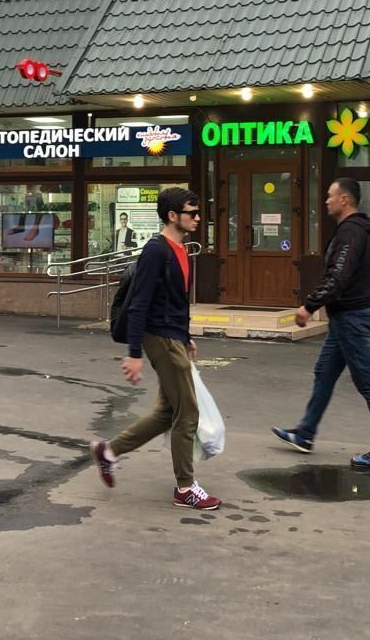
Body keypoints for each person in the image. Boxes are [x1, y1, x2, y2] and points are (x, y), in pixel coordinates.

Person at [91, 187, 220, 510]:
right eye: (192, 212)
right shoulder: (156, 251)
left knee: (167, 413)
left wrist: (185, 335)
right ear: (173, 216)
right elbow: (139, 304)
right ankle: (185, 488)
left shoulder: (180, 250)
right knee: (188, 413)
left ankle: (108, 451)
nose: (198, 218)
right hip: (159, 338)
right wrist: (134, 353)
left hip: (173, 336)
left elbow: (176, 303)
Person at [271, 178, 370, 468]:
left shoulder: (351, 232)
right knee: (324, 372)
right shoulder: (357, 231)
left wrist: (309, 305)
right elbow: (369, 276)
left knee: (369, 384)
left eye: (330, 196)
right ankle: (305, 433)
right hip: (348, 316)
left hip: (351, 318)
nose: (325, 200)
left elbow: (339, 275)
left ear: (344, 200)